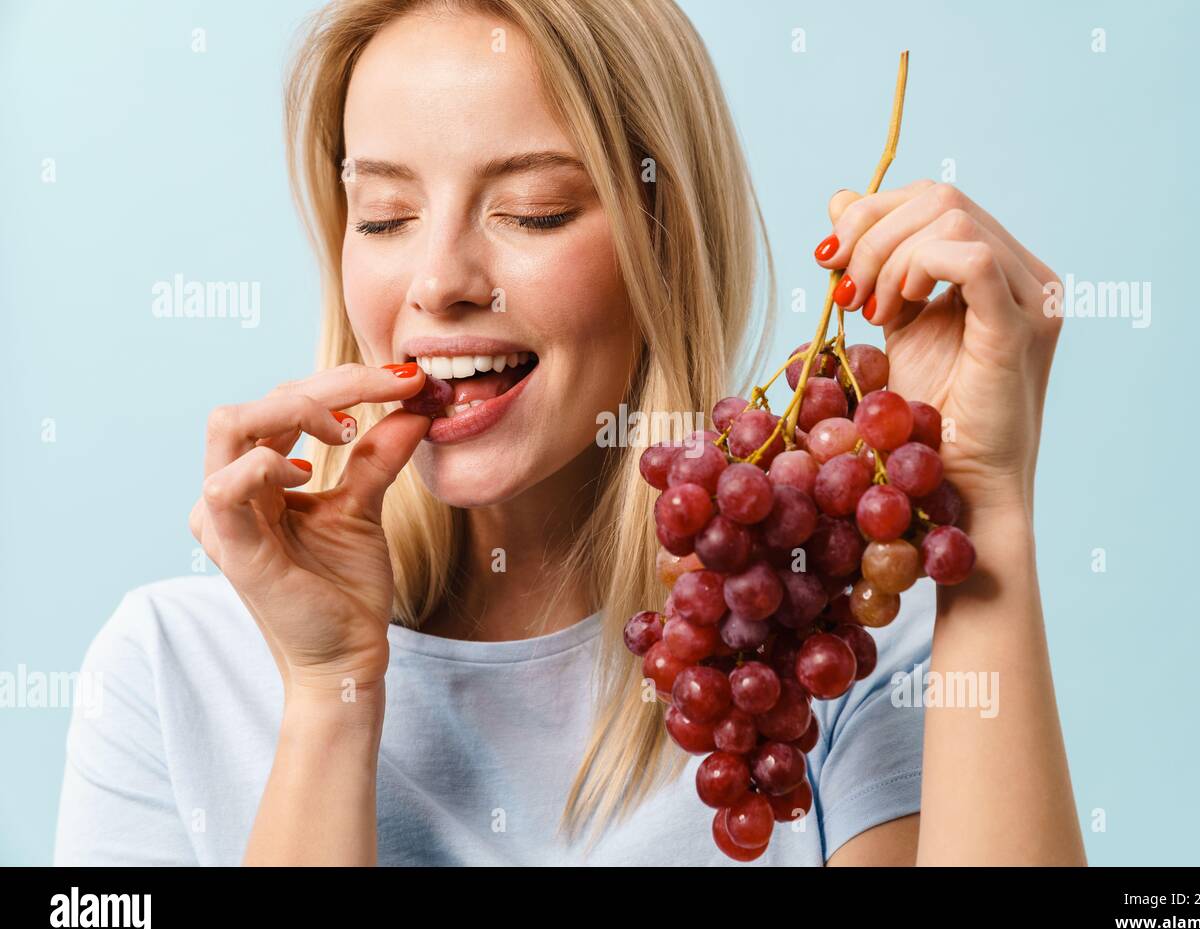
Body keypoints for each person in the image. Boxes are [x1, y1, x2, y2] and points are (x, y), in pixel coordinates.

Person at [53, 0, 1084, 866]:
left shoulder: (824, 648)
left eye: (533, 212)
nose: (439, 282)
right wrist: (331, 697)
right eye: (382, 216)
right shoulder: (170, 671)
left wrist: (983, 496)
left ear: (664, 249)